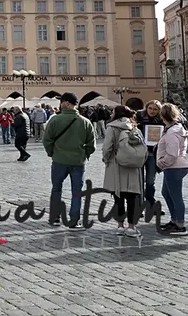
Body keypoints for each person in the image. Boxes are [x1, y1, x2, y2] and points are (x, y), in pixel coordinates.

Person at [43, 92, 96, 229]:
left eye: (61, 102)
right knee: (77, 192)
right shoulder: (85, 122)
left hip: (59, 161)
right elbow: (91, 144)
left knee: (56, 189)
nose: (60, 104)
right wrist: (85, 155)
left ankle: (55, 217)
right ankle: (74, 220)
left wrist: (52, 153)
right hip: (78, 162)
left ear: (66, 103)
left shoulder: (55, 120)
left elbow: (47, 140)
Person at [101, 106, 145, 237]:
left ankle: (120, 226)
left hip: (116, 165)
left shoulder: (112, 127)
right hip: (133, 166)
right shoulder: (134, 127)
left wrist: (106, 159)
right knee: (132, 198)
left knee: (118, 197)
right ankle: (131, 227)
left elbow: (107, 147)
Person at [156, 104, 188, 236]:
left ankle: (180, 225)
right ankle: (174, 219)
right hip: (175, 166)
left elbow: (172, 154)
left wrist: (161, 163)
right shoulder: (174, 129)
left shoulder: (172, 132)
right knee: (166, 192)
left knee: (175, 196)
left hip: (174, 166)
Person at [136, 100, 164, 208]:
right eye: (150, 108)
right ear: (146, 108)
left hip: (153, 153)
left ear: (159, 111)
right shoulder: (139, 119)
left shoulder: (161, 121)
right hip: (140, 153)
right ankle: (138, 204)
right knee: (139, 180)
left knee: (150, 180)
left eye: (155, 109)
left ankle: (150, 202)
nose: (152, 111)